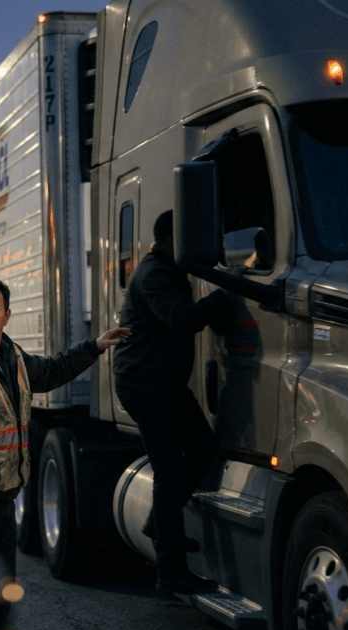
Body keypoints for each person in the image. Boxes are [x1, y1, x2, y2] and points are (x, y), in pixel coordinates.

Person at [0, 275, 130, 578]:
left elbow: (51, 371)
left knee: (1, 589)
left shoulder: (11, 355)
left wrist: (94, 346)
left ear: (7, 315)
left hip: (4, 499)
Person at [113, 210, 230, 596]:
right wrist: (225, 297)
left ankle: (158, 526)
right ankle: (170, 571)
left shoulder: (167, 268)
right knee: (169, 472)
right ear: (170, 239)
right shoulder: (156, 274)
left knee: (202, 449)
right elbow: (180, 319)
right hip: (147, 385)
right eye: (190, 239)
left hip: (163, 384)